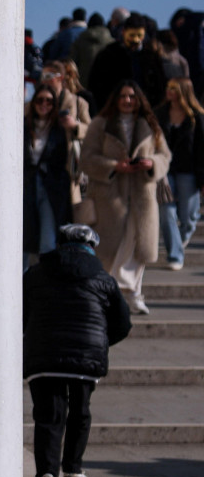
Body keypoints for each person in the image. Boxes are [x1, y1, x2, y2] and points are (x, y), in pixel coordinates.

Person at [25, 224, 131, 477]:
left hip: (44, 355)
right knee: (80, 412)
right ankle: (73, 472)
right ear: (91, 247)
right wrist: (97, 343)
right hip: (86, 357)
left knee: (48, 415)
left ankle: (47, 474)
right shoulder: (103, 278)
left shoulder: (35, 274)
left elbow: (19, 312)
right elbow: (122, 324)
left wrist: (34, 338)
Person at [80, 81, 170, 315]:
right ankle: (106, 296)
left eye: (131, 96)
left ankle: (134, 295)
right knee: (109, 250)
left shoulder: (150, 125)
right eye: (123, 96)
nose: (127, 100)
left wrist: (152, 163)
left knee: (136, 248)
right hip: (110, 199)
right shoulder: (101, 125)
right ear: (115, 99)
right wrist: (114, 166)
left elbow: (165, 155)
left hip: (142, 198)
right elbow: (87, 159)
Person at [156, 78, 204, 270]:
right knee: (166, 211)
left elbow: (202, 149)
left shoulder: (196, 117)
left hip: (189, 170)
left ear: (184, 91)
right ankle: (175, 254)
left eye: (174, 89)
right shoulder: (160, 114)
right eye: (168, 88)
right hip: (165, 170)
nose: (170, 92)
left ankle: (180, 239)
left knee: (189, 215)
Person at [24, 87, 75, 269]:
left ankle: (47, 281)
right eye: (40, 100)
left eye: (49, 101)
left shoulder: (59, 129)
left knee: (48, 237)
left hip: (51, 187)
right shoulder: (24, 125)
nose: (44, 105)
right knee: (23, 237)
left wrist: (73, 126)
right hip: (26, 186)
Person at [89, 13, 168, 110]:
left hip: (144, 110)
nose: (135, 40)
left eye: (139, 35)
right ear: (123, 32)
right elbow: (95, 84)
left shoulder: (151, 57)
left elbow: (160, 85)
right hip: (114, 111)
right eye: (131, 35)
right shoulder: (108, 55)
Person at [73, 12, 115, 89]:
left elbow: (72, 62)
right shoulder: (112, 43)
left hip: (83, 83)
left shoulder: (79, 41)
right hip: (107, 83)